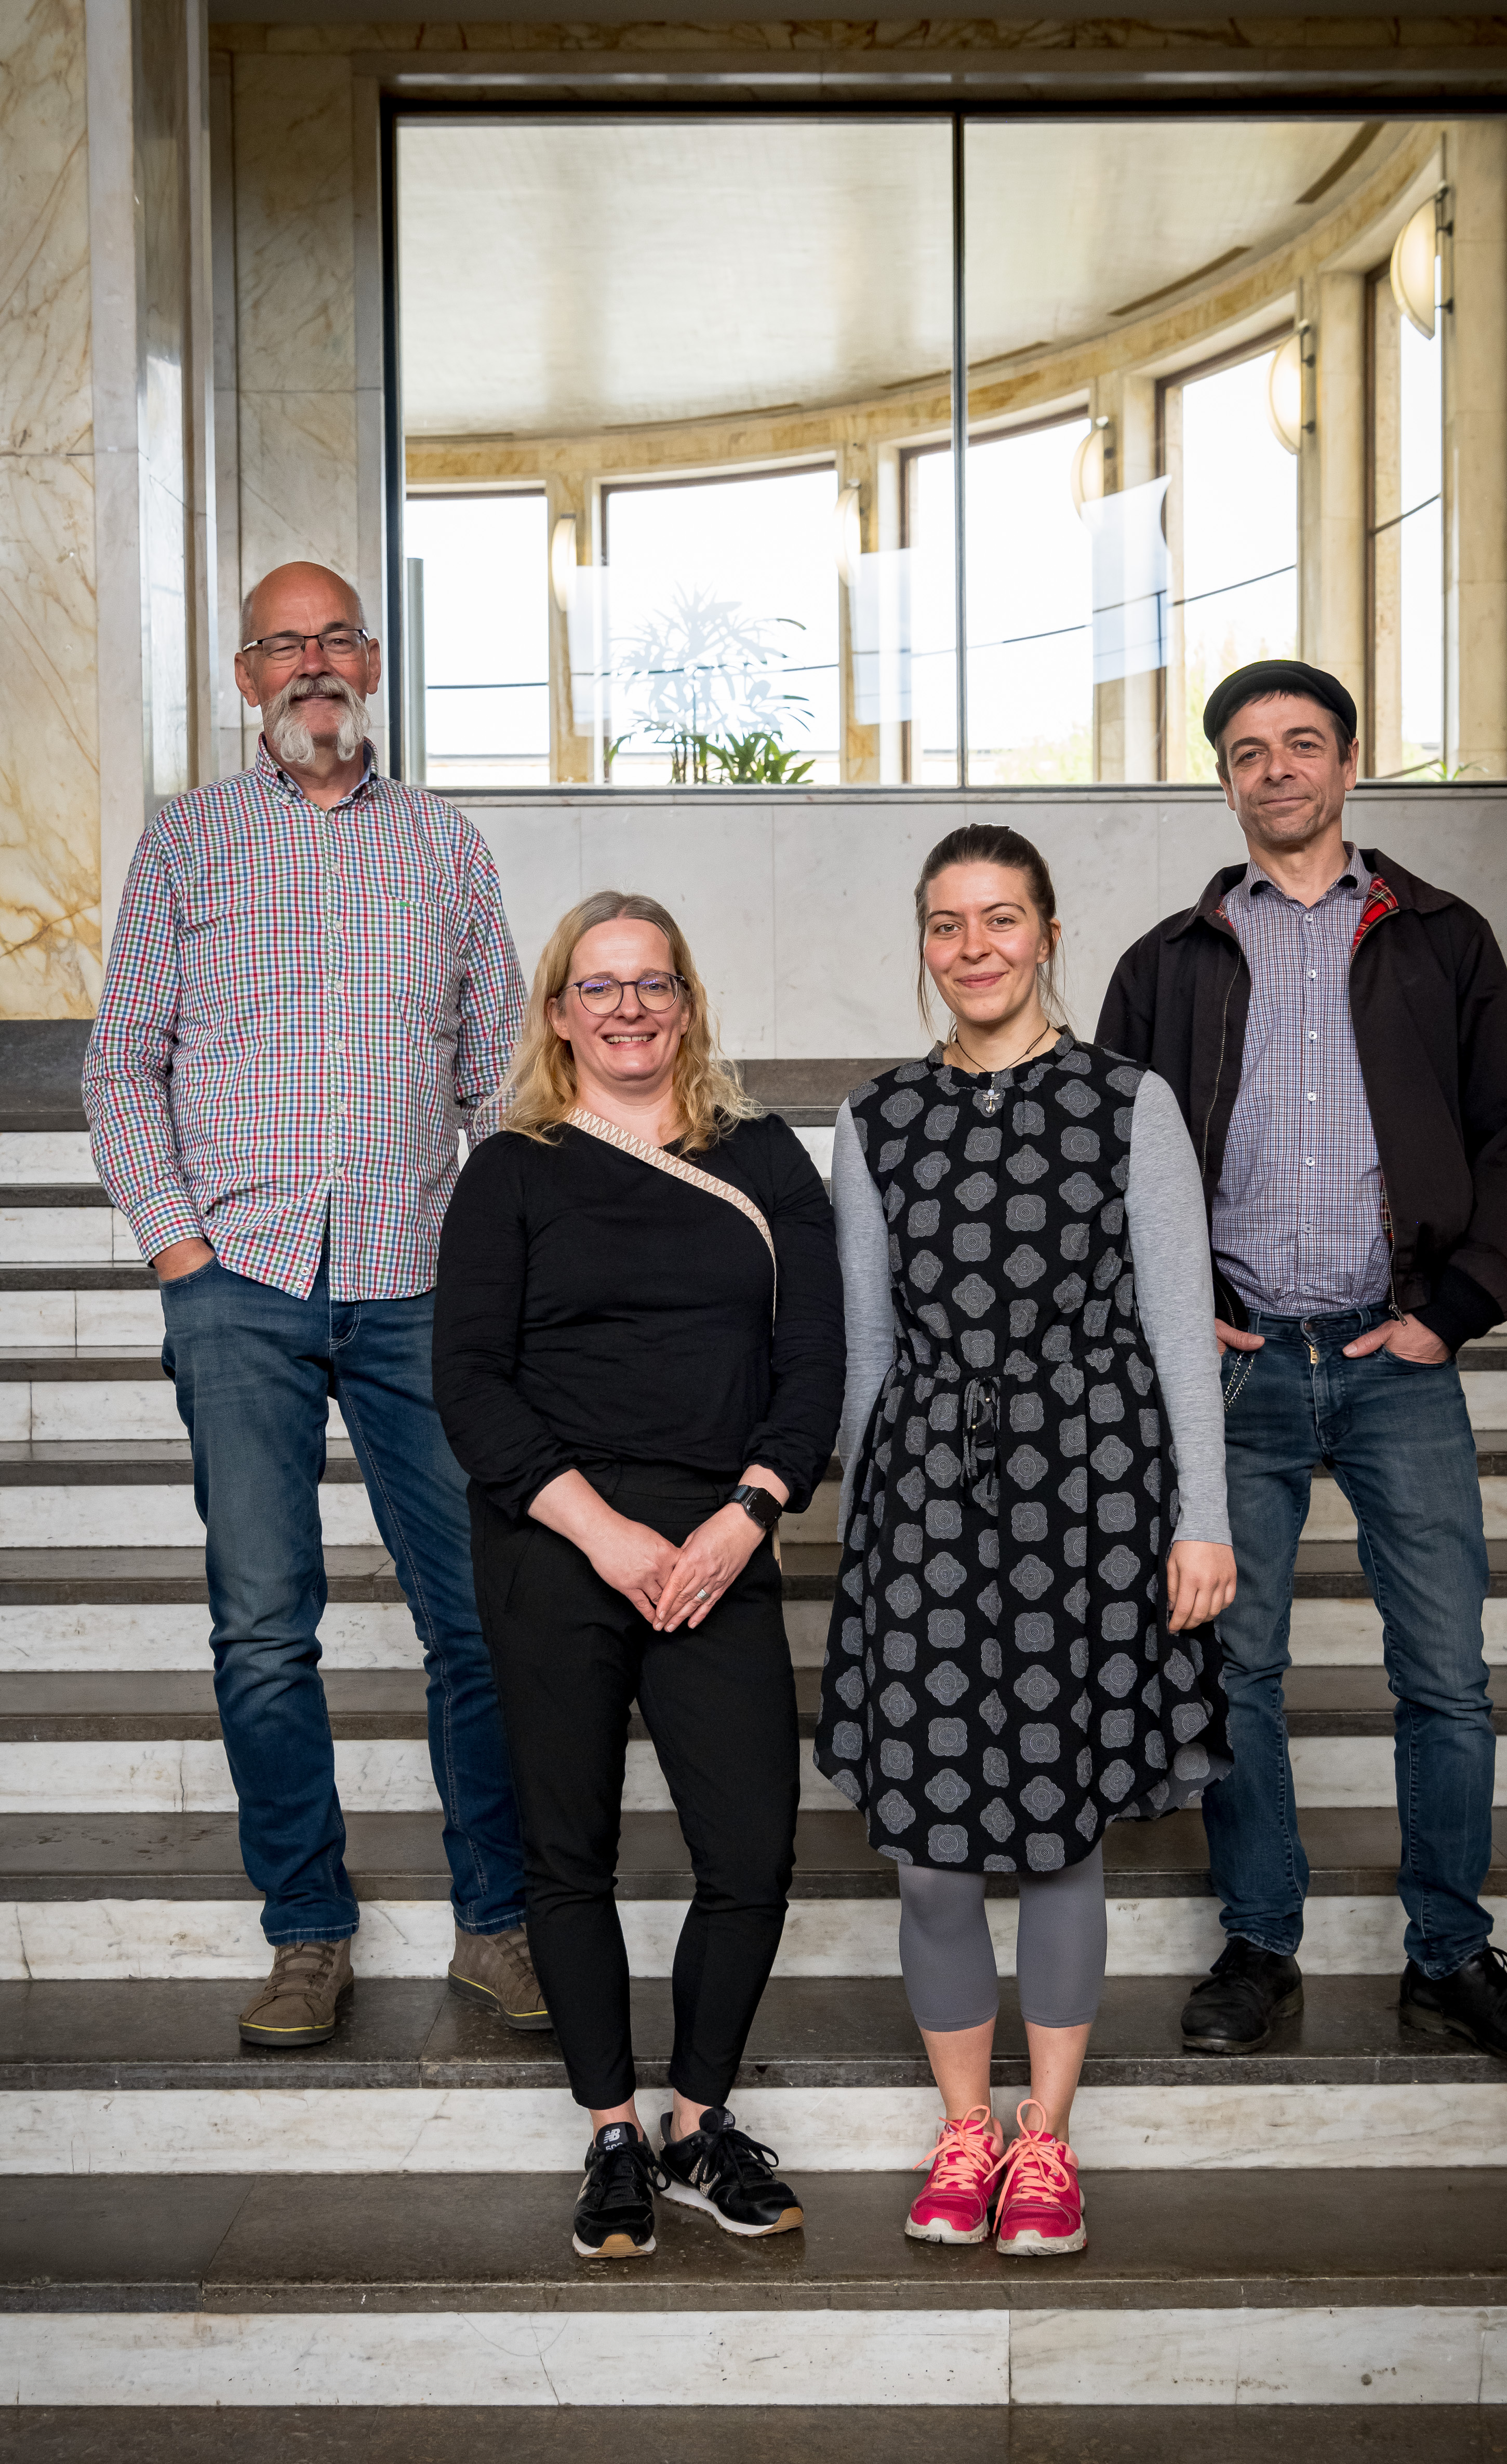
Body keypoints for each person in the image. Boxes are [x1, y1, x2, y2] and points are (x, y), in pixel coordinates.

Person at [1098, 656, 1507, 2071]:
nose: (1275, 771)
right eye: (1247, 752)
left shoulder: (1440, 937)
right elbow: (1116, 1166)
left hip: (1395, 1353)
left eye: (1299, 745)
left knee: (1444, 1674)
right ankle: (1259, 1941)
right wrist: (1167, 1309)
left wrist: (1457, 1305)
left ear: (1348, 763)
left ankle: (1448, 1954)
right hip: (1238, 1366)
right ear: (1225, 780)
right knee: (1234, 1668)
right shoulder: (1168, 961)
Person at [83, 561, 541, 2050]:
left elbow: (500, 1081)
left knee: (473, 1623)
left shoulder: (447, 848)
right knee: (265, 1631)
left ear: (374, 659)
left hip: (417, 1282)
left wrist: (495, 1263)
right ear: (243, 675)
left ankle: (498, 1928)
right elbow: (118, 1066)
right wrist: (176, 1253)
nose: (312, 663)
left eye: (336, 637)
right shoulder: (185, 845)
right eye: (284, 643)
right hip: (241, 1287)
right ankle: (307, 1938)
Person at [816, 823, 1237, 2259]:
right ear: (924, 944)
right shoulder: (874, 1119)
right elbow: (864, 1348)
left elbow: (1181, 1327)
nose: (974, 946)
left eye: (1001, 918)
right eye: (946, 923)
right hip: (925, 1499)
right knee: (932, 1857)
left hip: (1099, 1489)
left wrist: (1202, 1519)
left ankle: (1045, 2144)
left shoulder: (1130, 1102)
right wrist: (865, 1531)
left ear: (1047, 933)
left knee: (1058, 1840)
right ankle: (963, 2128)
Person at [432, 890, 845, 2263]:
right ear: (557, 1013)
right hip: (558, 1538)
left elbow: (814, 1363)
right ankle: (610, 2131)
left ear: (686, 1002)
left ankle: (694, 2125)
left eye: (650, 983)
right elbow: (469, 1383)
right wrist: (601, 1532)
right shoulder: (511, 1169)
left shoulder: (766, 1158)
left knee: (748, 1852)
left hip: (720, 1534)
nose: (626, 1008)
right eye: (597, 987)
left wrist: (746, 1514)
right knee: (569, 1856)